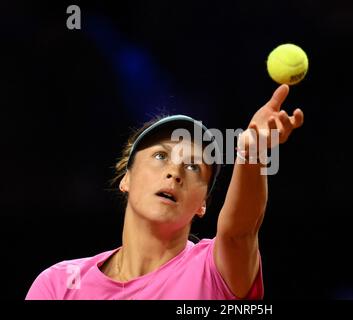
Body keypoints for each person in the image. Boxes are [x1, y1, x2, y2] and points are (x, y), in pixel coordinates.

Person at [25, 84, 304, 300]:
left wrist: (252, 152)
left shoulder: (213, 270)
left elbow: (240, 232)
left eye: (193, 166)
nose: (175, 172)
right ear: (127, 179)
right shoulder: (59, 284)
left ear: (202, 205)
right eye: (160, 156)